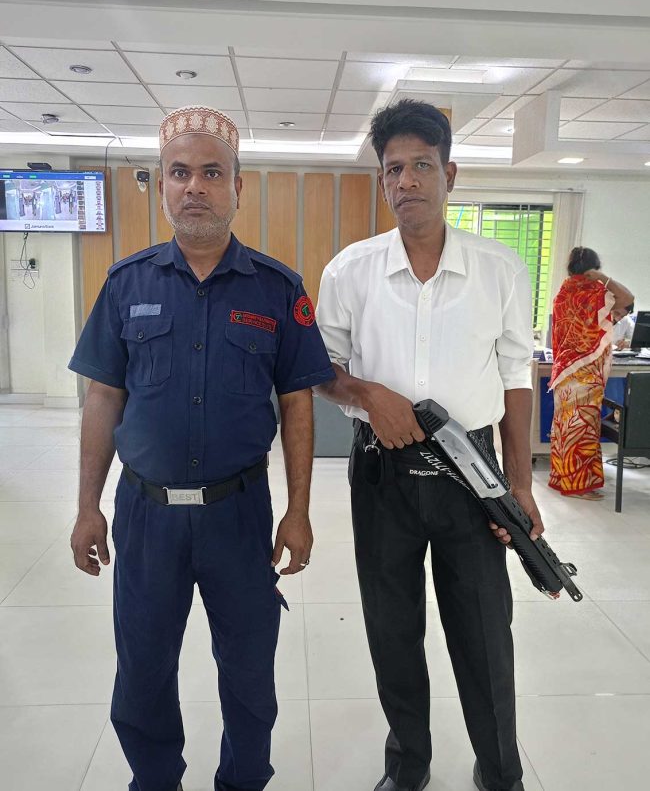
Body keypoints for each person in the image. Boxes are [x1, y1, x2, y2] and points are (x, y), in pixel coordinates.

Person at [68, 105, 335, 791]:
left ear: (237, 187)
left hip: (238, 516)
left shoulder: (277, 290)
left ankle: (242, 781)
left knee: (248, 673)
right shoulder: (126, 284)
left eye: (212, 173)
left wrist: (299, 511)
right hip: (146, 516)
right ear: (161, 184)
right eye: (180, 172)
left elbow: (297, 404)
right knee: (143, 671)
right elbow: (103, 398)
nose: (195, 187)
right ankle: (155, 780)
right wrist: (88, 507)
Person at [315, 99, 539, 791]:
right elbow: (321, 369)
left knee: (484, 630)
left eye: (421, 165)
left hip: (474, 475)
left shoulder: (500, 268)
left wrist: (521, 485)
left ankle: (500, 770)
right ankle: (408, 764)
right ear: (381, 180)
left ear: (450, 173)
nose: (406, 180)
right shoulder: (349, 270)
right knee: (392, 628)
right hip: (381, 476)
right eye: (393, 169)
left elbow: (516, 377)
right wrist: (368, 395)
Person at [548, 247, 634, 499]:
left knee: (566, 428)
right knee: (582, 428)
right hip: (584, 374)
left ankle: (564, 479)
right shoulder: (595, 292)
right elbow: (628, 299)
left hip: (566, 372)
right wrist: (602, 277)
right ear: (593, 268)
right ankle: (577, 486)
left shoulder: (563, 293)